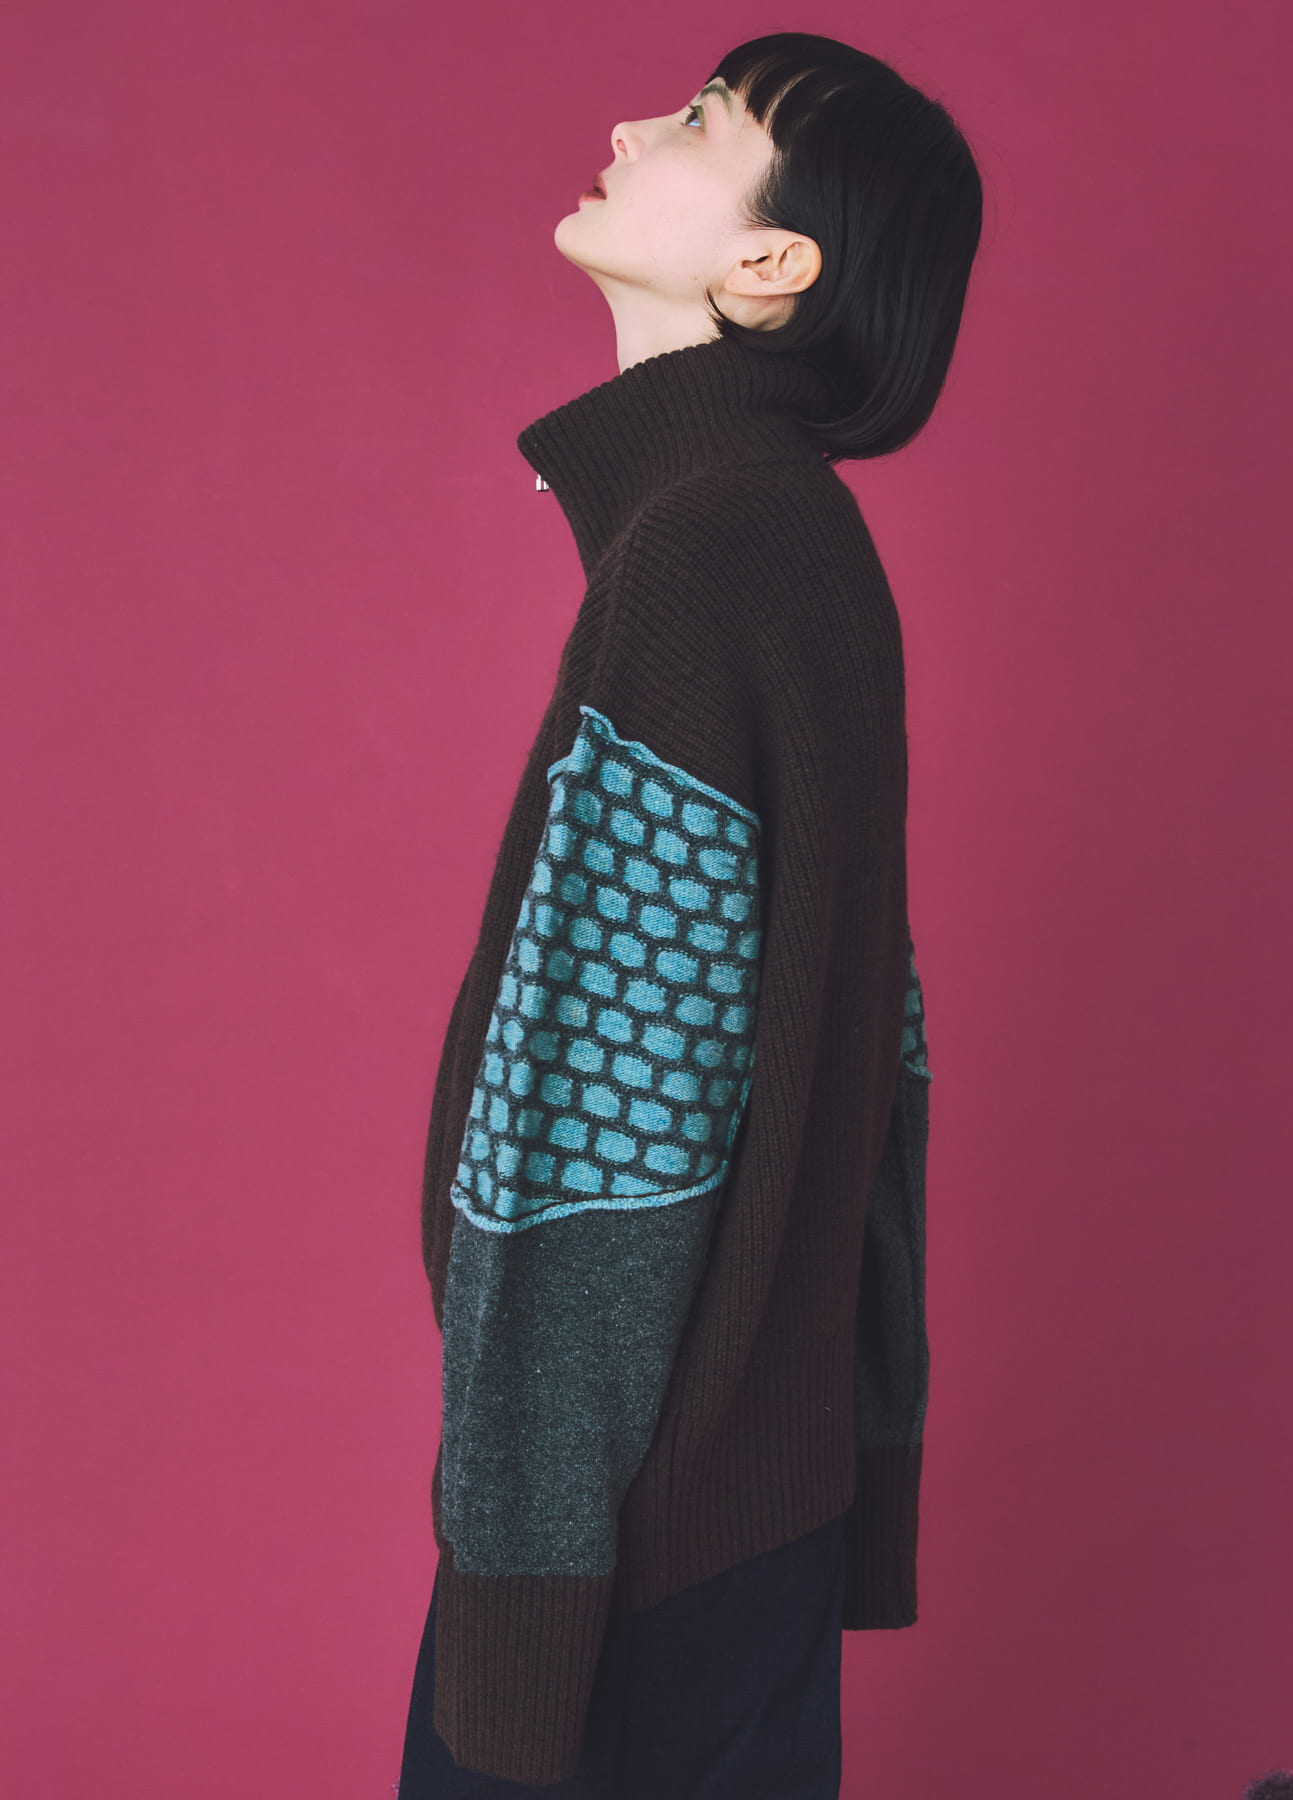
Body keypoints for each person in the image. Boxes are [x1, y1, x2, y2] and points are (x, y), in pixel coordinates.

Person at [399, 30, 982, 1798]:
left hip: (624, 1551)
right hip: (753, 1504)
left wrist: (519, 1591)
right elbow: (878, 1053)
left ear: (767, 264)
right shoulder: (798, 544)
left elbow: (587, 1151)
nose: (630, 123)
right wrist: (866, 1454)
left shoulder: (701, 562)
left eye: (704, 122)